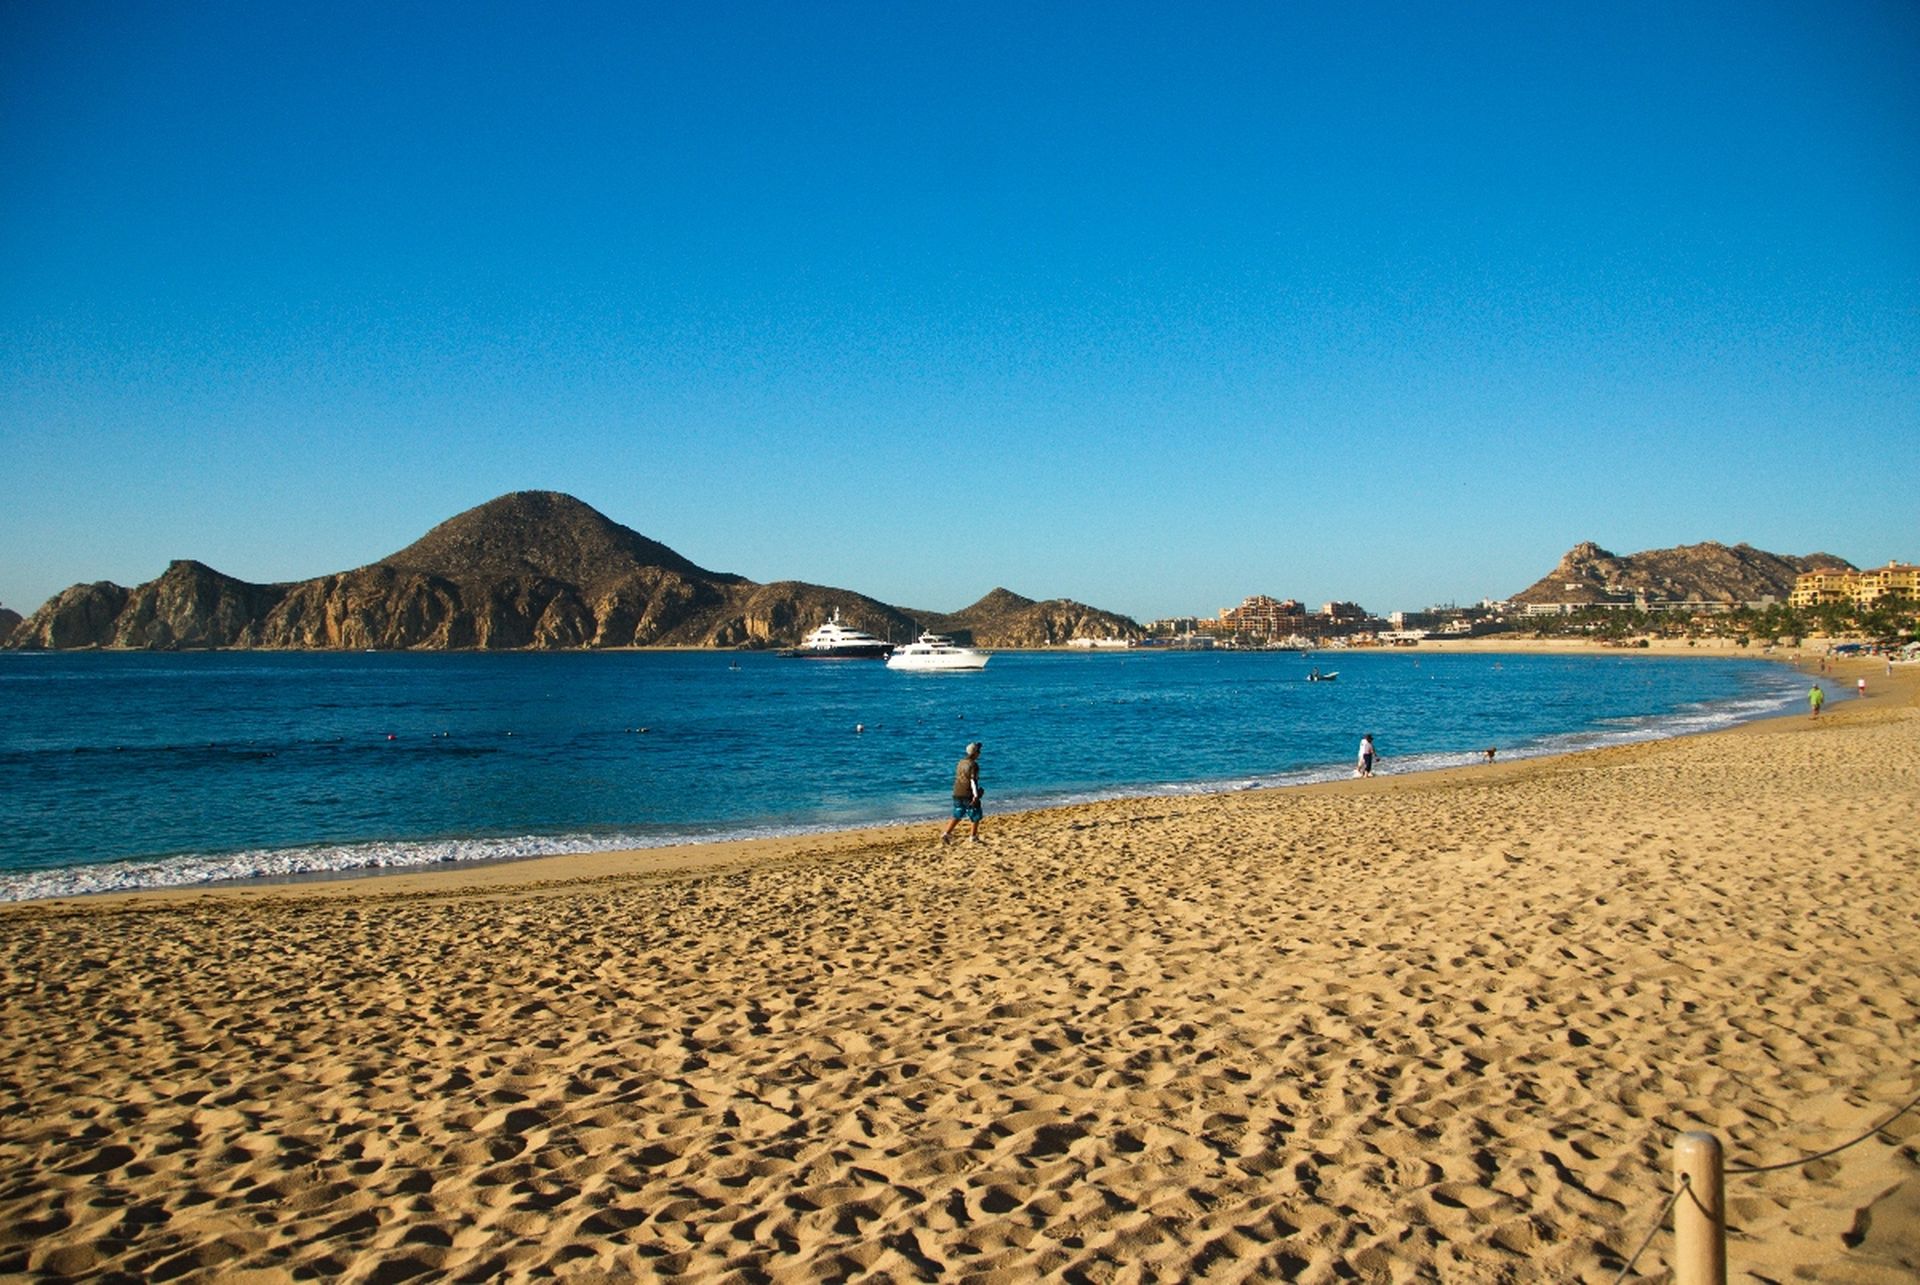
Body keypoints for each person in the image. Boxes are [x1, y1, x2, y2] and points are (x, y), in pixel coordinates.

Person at [942, 741, 983, 844]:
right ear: (975, 753)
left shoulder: (960, 762)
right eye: (979, 751)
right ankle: (973, 836)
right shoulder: (974, 765)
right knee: (976, 814)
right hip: (967, 792)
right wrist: (976, 795)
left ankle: (947, 833)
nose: (980, 753)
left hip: (957, 791)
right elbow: (973, 781)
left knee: (958, 813)